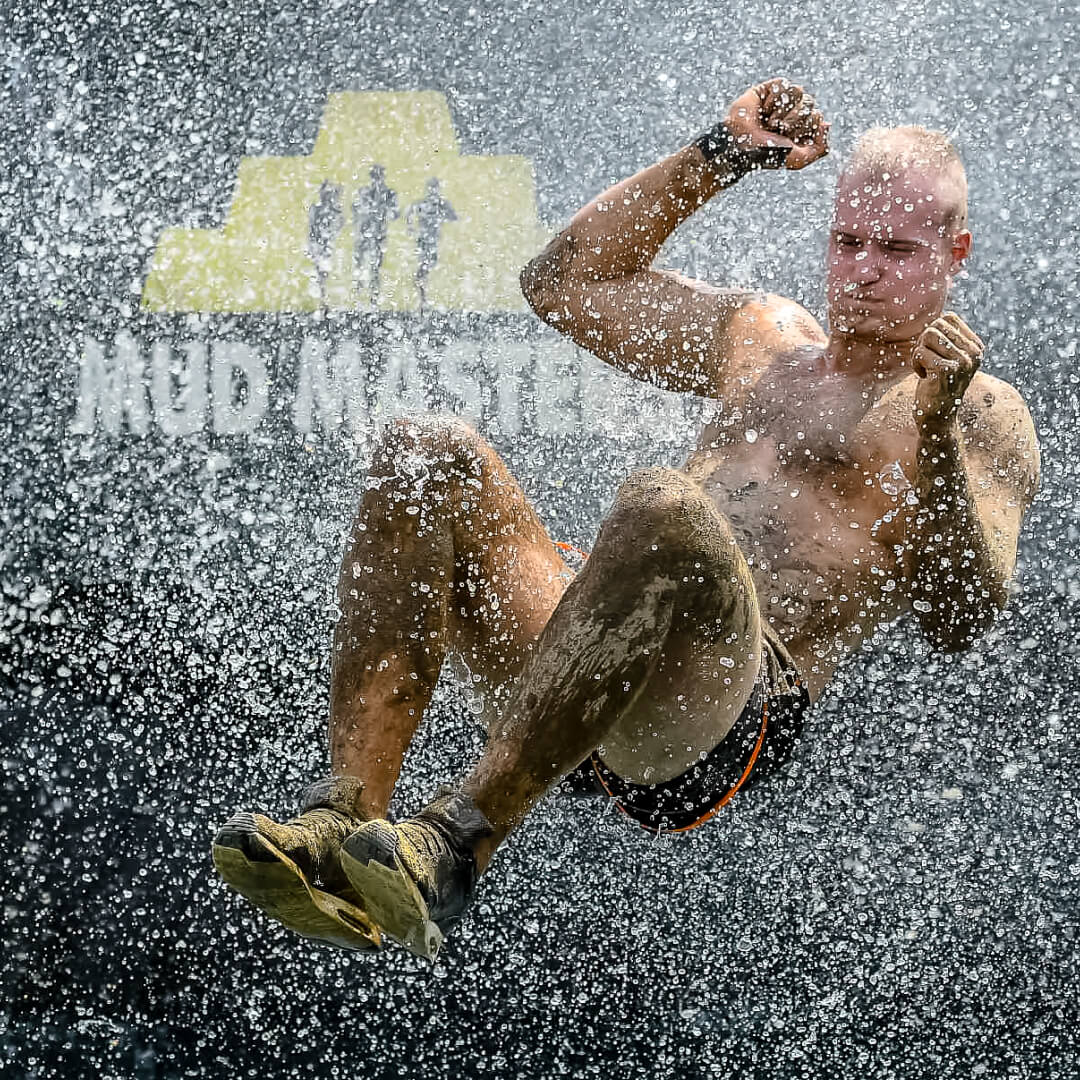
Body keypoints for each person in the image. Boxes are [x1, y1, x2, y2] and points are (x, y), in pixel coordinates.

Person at [212, 78, 1040, 960]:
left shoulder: (981, 410)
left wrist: (942, 432)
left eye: (899, 250)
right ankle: (343, 824)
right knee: (425, 451)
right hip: (588, 657)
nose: (864, 269)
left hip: (723, 710)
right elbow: (561, 283)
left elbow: (963, 617)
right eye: (848, 242)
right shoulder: (761, 335)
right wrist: (718, 156)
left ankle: (457, 844)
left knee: (664, 505)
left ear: (956, 252)